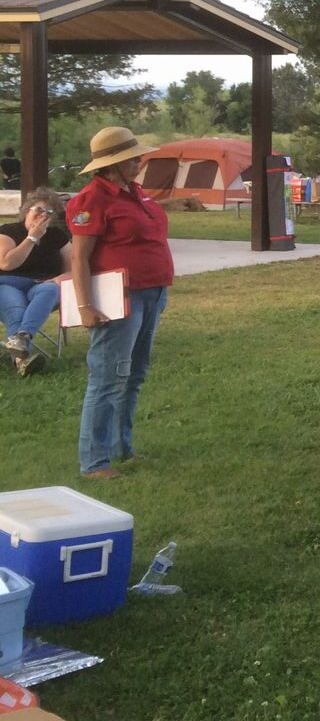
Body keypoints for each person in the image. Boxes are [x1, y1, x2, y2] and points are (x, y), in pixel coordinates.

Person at [67, 127, 174, 480]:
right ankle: (94, 462)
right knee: (108, 378)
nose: (140, 162)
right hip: (119, 300)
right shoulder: (91, 200)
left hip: (151, 293)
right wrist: (85, 306)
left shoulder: (136, 193)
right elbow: (80, 259)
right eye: (133, 158)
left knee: (135, 375)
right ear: (110, 165)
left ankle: (120, 448)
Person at [1, 188, 71, 376]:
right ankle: (22, 360)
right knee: (16, 309)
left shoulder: (57, 237)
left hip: (41, 285)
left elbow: (72, 269)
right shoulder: (8, 231)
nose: (43, 215)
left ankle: (22, 338)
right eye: (38, 210)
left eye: (49, 213)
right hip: (8, 282)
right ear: (26, 211)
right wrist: (32, 238)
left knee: (50, 290)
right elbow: (6, 263)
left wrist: (58, 279)